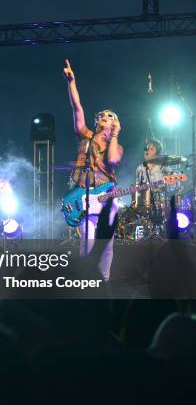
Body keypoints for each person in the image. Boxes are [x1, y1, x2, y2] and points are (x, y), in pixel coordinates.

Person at [64, 59, 123, 281]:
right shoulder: (85, 135)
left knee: (107, 244)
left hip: (107, 195)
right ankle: (87, 282)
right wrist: (72, 83)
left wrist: (115, 135)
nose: (103, 116)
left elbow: (113, 161)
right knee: (87, 242)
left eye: (109, 115)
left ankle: (104, 282)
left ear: (115, 123)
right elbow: (77, 107)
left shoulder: (116, 145)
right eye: (101, 115)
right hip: (85, 195)